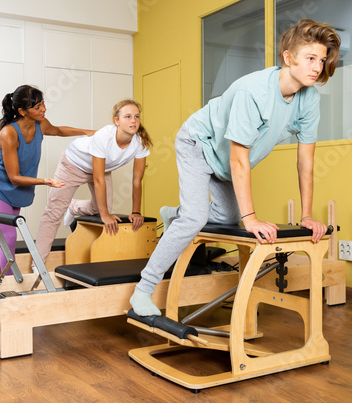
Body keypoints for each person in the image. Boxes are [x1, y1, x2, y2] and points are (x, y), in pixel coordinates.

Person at [130, 18, 341, 316]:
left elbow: (305, 160)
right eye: (310, 58)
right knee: (195, 219)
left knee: (228, 219)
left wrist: (307, 215)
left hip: (226, 158)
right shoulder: (252, 92)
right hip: (198, 143)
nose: (317, 67)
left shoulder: (309, 99)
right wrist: (252, 219)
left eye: (321, 60)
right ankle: (143, 290)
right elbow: (239, 157)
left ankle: (174, 214)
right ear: (288, 57)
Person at [0, 85, 95, 277]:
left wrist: (87, 131)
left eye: (43, 104)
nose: (43, 109)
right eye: (37, 107)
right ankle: (9, 284)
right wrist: (45, 181)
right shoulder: (8, 133)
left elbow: (58, 130)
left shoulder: (40, 124)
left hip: (16, 189)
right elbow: (13, 177)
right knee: (8, 235)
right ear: (22, 111)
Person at [35, 99, 152, 263]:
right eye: (127, 116)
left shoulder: (140, 142)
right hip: (73, 165)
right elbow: (98, 179)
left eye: (136, 116)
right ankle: (38, 264)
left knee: (101, 208)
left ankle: (74, 206)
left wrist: (136, 212)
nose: (133, 120)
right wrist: (104, 215)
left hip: (101, 169)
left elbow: (137, 180)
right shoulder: (104, 136)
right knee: (54, 214)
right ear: (116, 120)